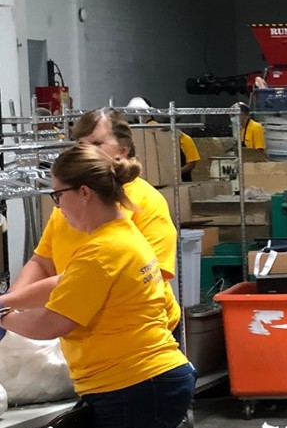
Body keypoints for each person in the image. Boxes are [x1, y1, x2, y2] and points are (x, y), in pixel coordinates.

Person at [0, 144, 196, 428]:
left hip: (135, 385)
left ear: (84, 192)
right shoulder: (118, 234)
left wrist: (5, 320)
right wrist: (6, 302)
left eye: (58, 196)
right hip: (148, 380)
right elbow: (63, 282)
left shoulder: (104, 249)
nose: (58, 207)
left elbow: (53, 323)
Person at [0, 109, 180, 333]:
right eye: (80, 145)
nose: (85, 152)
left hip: (131, 331)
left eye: (96, 144)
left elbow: (142, 281)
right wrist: (10, 303)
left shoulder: (141, 208)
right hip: (82, 328)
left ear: (123, 150)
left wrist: (7, 311)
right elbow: (43, 262)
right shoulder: (68, 202)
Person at [128, 96, 201, 182]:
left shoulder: (182, 137)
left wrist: (173, 174)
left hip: (180, 182)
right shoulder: (138, 136)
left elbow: (191, 164)